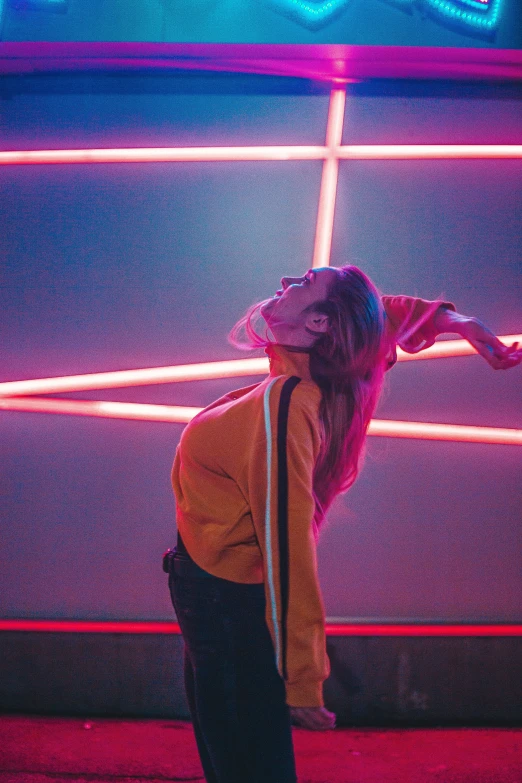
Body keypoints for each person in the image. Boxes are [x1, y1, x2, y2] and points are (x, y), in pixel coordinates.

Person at [166, 265, 520, 783]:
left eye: (304, 283)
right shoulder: (311, 381)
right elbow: (373, 318)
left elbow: (289, 550)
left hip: (226, 609)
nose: (286, 279)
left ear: (319, 325)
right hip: (213, 601)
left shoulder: (286, 406)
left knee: (245, 768)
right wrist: (456, 322)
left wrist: (303, 678)